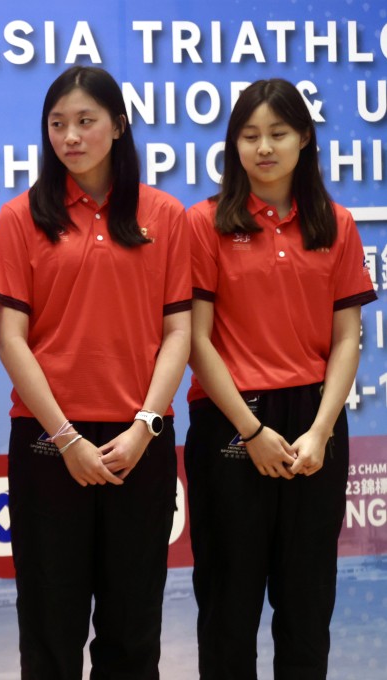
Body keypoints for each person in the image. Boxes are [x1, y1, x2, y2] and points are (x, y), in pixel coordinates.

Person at [0, 65, 191, 679]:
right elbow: (11, 339)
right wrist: (67, 437)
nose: (69, 136)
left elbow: (179, 332)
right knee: (50, 625)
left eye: (84, 121)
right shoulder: (21, 217)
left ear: (119, 126)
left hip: (140, 442)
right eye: (56, 124)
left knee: (132, 628)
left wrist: (146, 424)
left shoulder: (164, 214)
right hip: (49, 442)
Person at [184, 78, 376, 680]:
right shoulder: (205, 222)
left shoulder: (335, 224)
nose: (263, 147)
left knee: (307, 603)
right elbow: (195, 339)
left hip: (315, 427)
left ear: (305, 139)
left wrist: (321, 431)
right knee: (229, 604)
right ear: (233, 144)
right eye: (249, 135)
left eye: (277, 133)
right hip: (231, 422)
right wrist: (250, 430)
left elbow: (348, 338)